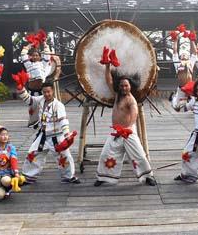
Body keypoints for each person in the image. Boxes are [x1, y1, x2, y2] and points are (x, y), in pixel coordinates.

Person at [95, 57, 156, 186]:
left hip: (128, 131)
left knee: (139, 155)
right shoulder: (117, 95)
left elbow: (134, 115)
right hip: (116, 131)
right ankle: (103, 178)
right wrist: (107, 66)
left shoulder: (131, 100)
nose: (123, 87)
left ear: (130, 86)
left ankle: (148, 176)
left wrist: (126, 129)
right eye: (122, 85)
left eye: (126, 85)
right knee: (106, 154)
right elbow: (109, 80)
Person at [16, 82, 80, 184]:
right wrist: (21, 88)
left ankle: (69, 176)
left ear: (53, 91)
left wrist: (67, 134)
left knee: (64, 156)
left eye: (48, 92)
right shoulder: (40, 100)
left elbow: (63, 120)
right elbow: (29, 100)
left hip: (56, 136)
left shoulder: (59, 105)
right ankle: (28, 177)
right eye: (44, 92)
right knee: (33, 153)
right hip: (43, 135)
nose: (47, 94)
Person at [19, 43, 58, 127]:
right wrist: (28, 46)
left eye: (37, 55)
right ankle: (33, 122)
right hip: (32, 90)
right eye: (33, 55)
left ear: (40, 57)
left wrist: (44, 44)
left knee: (43, 106)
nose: (35, 57)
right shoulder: (28, 64)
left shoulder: (43, 64)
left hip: (41, 90)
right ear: (30, 57)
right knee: (32, 107)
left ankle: (43, 122)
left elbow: (47, 56)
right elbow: (23, 55)